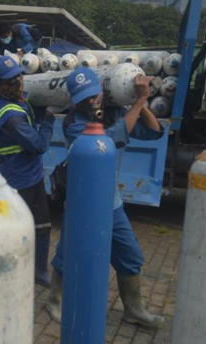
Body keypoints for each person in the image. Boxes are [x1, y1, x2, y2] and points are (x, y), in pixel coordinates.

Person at [47, 66, 163, 328]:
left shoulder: (115, 112)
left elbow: (154, 131)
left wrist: (137, 102)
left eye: (94, 94)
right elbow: (109, 142)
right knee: (67, 255)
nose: (91, 101)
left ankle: (133, 309)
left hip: (112, 202)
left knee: (130, 256)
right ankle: (55, 300)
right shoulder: (73, 123)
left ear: (102, 90)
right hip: (81, 203)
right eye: (84, 98)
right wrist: (141, 100)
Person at [0, 56, 54, 287]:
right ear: (0, 84)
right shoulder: (11, 116)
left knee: (40, 227)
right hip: (19, 181)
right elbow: (37, 145)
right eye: (11, 80)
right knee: (25, 229)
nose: (18, 82)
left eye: (19, 76)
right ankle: (15, 272)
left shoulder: (17, 102)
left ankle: (36, 271)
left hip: (28, 177)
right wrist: (48, 121)